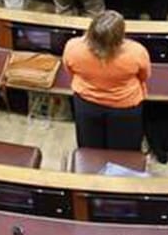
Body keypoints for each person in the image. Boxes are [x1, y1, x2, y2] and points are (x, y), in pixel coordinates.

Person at [61, 10, 150, 153]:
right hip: (125, 107)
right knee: (124, 153)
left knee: (91, 150)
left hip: (86, 103)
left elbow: (69, 70)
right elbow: (144, 76)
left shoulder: (73, 47)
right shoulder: (137, 52)